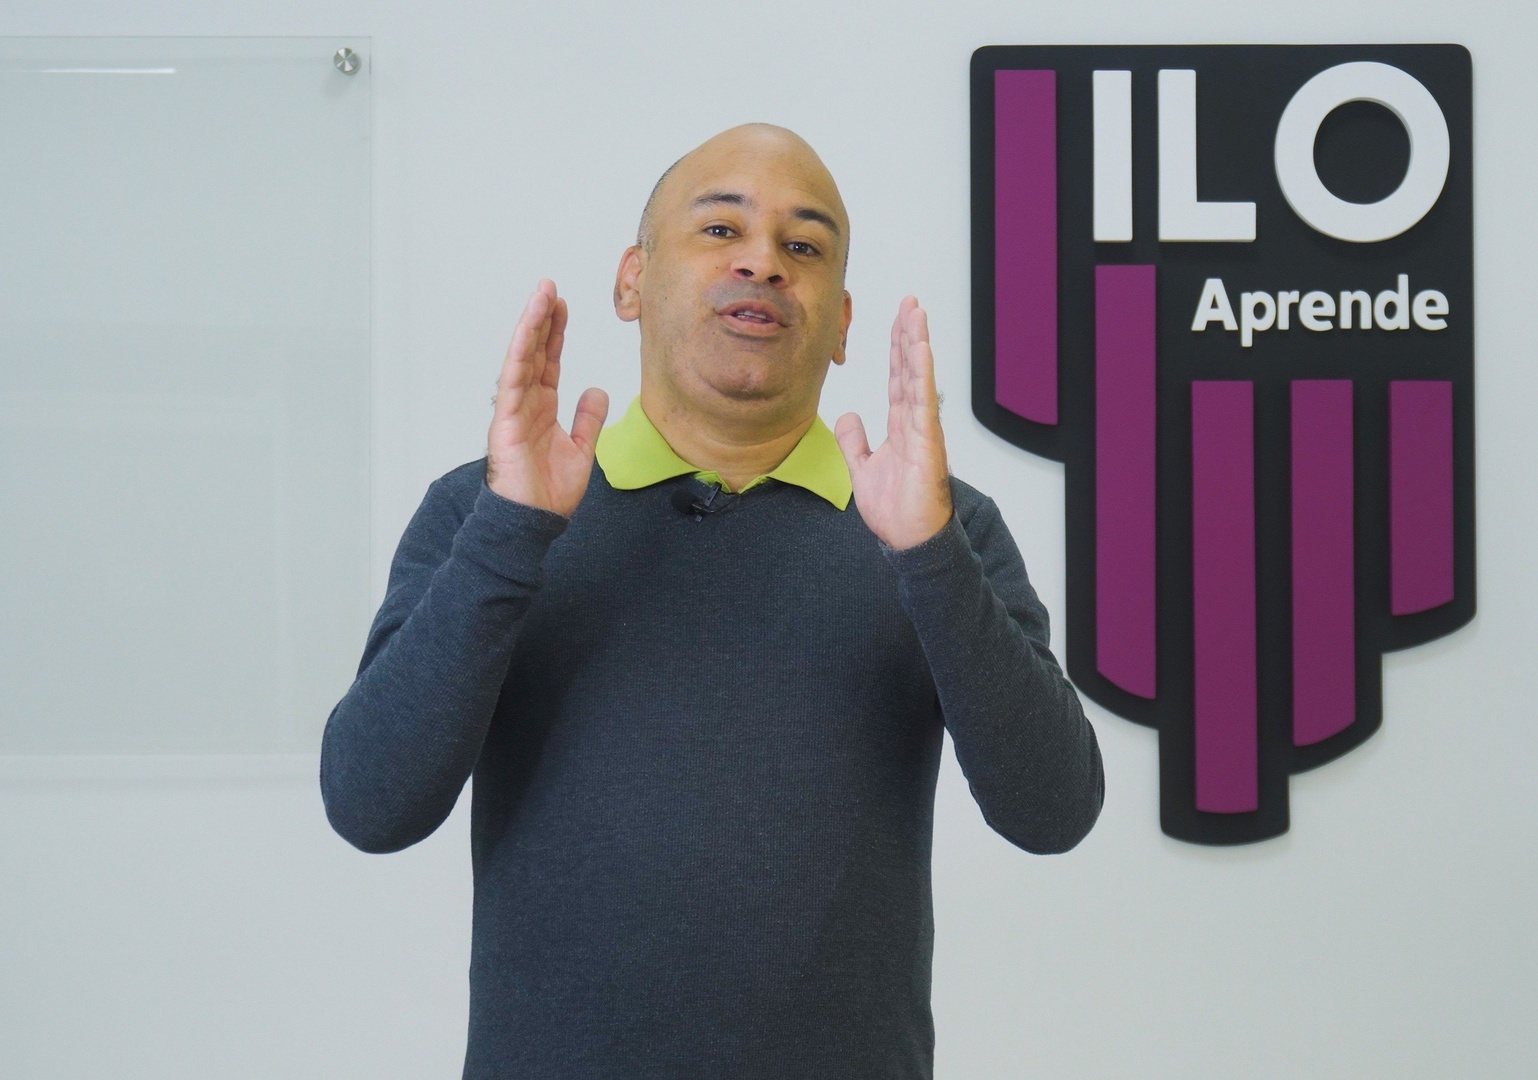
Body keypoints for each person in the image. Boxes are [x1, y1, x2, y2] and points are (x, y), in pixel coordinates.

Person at [318, 123, 1104, 1079]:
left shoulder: (937, 524)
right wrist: (511, 530)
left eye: (802, 245)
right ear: (631, 281)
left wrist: (930, 555)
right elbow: (371, 805)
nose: (763, 263)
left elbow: (1053, 812)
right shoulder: (488, 508)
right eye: (721, 229)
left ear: (842, 323)